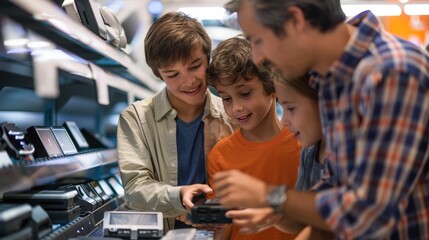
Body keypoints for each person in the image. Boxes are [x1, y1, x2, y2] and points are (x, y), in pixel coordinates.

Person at [213, 0, 429, 239]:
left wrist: (270, 195)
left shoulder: (392, 73)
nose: (258, 57)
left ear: (296, 21)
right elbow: (333, 196)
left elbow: (367, 214)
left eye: (258, 40)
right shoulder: (331, 79)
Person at [116, 11, 237, 232]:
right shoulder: (135, 119)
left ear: (207, 58)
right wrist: (178, 195)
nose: (189, 81)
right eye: (173, 75)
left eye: (195, 66)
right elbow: (134, 189)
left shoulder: (233, 115)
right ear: (159, 75)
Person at [205, 36, 301, 240]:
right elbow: (224, 227)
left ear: (272, 86)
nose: (236, 107)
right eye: (227, 99)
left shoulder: (303, 145)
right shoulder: (220, 156)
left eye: (245, 93)